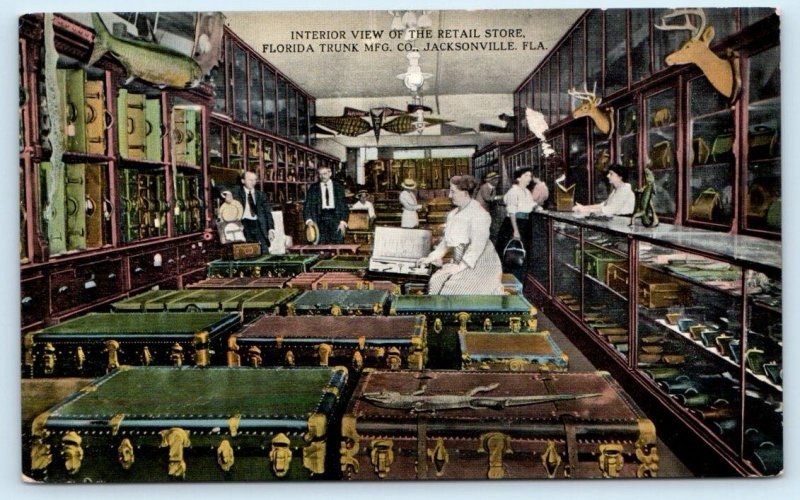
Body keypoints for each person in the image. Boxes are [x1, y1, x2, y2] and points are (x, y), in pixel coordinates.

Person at [417, 175, 504, 295]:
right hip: (461, 262)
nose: (449, 195)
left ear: (465, 193)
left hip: (481, 265)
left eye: (453, 192)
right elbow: (446, 242)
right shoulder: (453, 214)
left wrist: (459, 267)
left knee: (451, 291)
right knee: (435, 282)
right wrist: (431, 258)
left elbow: (476, 247)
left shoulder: (479, 214)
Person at [221, 171, 274, 254]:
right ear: (243, 181)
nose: (253, 182)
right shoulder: (236, 192)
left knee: (264, 251)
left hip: (258, 225)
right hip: (243, 225)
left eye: (255, 180)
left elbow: (268, 213)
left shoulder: (261, 195)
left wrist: (271, 229)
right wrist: (227, 193)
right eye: (250, 180)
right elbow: (218, 187)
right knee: (245, 252)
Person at [304, 164, 349, 244]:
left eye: (324, 174)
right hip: (319, 219)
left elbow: (344, 206)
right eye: (320, 174)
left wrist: (343, 222)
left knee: (337, 244)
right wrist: (309, 221)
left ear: (330, 173)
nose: (322, 176)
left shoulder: (338, 187)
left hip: (336, 219)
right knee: (321, 244)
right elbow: (307, 206)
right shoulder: (313, 188)